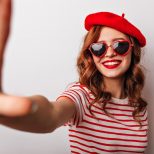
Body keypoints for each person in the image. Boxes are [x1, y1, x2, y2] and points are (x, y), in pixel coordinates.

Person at [0, 0, 148, 153]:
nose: (109, 53)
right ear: (90, 54)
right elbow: (51, 114)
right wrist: (19, 110)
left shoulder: (139, 107)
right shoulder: (82, 95)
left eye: (120, 45)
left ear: (133, 50)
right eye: (99, 47)